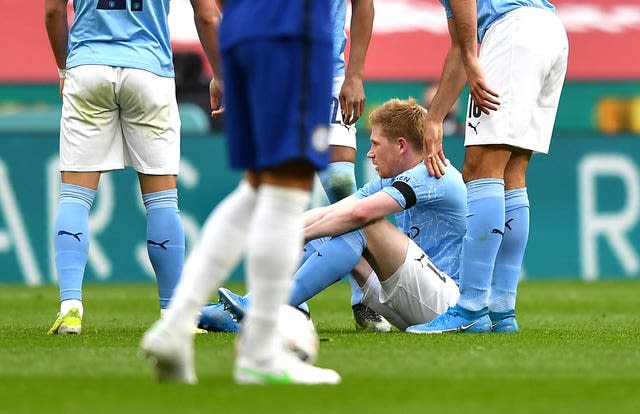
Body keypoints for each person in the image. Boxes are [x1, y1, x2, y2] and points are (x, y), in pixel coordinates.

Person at [140, 0, 341, 385]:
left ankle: (176, 325)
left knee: (258, 185)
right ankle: (260, 353)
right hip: (289, 27)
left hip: (241, 26)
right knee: (288, 187)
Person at [210, 98, 466, 332]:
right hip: (413, 296)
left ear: (401, 146)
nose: (370, 153)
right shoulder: (393, 178)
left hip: (445, 303)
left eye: (375, 144)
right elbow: (333, 210)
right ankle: (245, 308)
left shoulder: (431, 173)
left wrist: (300, 236)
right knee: (337, 224)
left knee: (361, 224)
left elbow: (358, 214)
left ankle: (262, 310)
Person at [44, 0, 221, 335]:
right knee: (163, 201)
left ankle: (70, 308)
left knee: (75, 197)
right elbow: (208, 14)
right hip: (149, 71)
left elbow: (53, 12)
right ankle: (173, 314)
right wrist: (221, 76)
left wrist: (64, 70)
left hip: (88, 68)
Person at [415, 0, 568, 333]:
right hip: (549, 32)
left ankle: (471, 307)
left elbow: (464, 48)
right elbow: (459, 48)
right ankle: (502, 311)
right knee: (511, 173)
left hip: (512, 33)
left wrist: (473, 57)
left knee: (480, 167)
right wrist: (435, 117)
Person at [319, 0, 391, 334]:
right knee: (278, 189)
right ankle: (292, 307)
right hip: (274, 79)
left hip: (330, 75)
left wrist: (355, 73)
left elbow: (363, 5)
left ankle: (366, 294)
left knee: (340, 181)